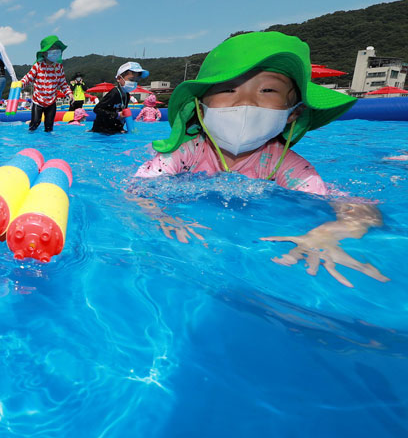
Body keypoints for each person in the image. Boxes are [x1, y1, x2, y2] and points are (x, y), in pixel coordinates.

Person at [132, 31, 389, 287]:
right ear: (201, 108)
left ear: (293, 113)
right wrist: (160, 214)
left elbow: (360, 208)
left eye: (267, 90)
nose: (246, 102)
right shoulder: (187, 151)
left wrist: (328, 232)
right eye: (228, 88)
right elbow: (137, 187)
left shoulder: (284, 163)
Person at [19, 35, 70, 133]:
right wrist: (21, 84)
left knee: (49, 127)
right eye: (52, 49)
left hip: (51, 102)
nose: (55, 51)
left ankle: (48, 146)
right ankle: (31, 140)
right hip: (38, 101)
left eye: (56, 49)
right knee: (34, 124)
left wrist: (69, 93)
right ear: (44, 53)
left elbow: (63, 83)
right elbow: (28, 77)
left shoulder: (58, 67)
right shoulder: (38, 66)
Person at [92, 61, 147, 134]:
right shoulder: (114, 93)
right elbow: (97, 109)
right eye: (131, 79)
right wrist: (117, 115)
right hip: (101, 130)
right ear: (119, 78)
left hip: (113, 129)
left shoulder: (126, 95)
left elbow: (122, 114)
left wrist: (121, 128)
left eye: (136, 80)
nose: (134, 83)